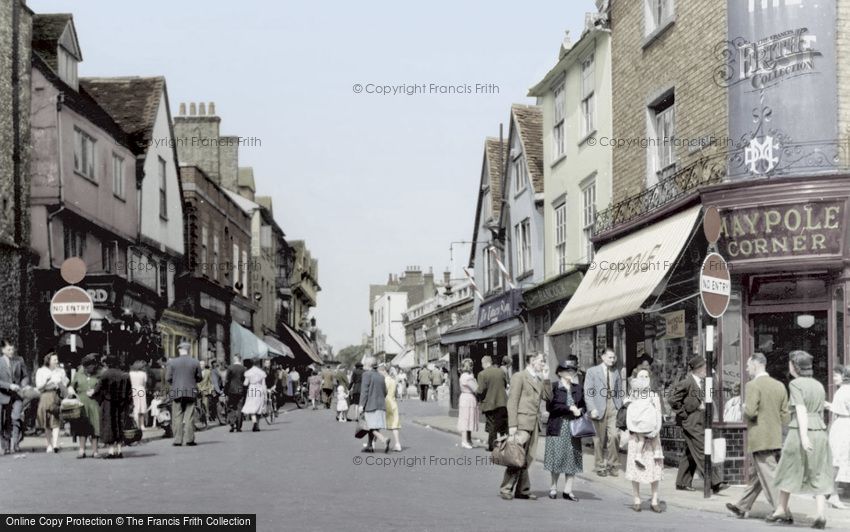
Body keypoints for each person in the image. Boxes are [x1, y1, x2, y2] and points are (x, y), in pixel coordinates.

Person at [768, 351, 834, 528]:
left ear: (793, 366)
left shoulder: (795, 384)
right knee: (818, 471)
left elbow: (801, 410)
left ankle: (781, 508)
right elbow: (821, 409)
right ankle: (820, 514)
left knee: (789, 467)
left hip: (799, 430)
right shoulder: (818, 385)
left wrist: (804, 436)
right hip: (819, 430)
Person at [725, 353, 790, 519]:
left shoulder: (752, 385)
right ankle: (742, 506)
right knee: (757, 475)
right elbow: (785, 416)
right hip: (776, 437)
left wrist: (744, 407)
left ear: (756, 365)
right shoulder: (779, 385)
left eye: (748, 365)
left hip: (760, 438)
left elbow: (751, 412)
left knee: (769, 475)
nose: (747, 369)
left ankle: (782, 511)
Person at [670, 355, 727, 493]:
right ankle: (714, 481)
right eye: (704, 368)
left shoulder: (704, 382)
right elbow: (672, 398)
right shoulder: (687, 382)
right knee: (703, 449)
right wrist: (683, 414)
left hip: (701, 420)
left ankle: (682, 482)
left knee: (690, 452)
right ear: (698, 369)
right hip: (692, 421)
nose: (706, 370)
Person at [500, 353, 552, 501]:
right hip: (522, 423)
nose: (543, 364)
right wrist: (512, 425)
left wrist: (547, 378)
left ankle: (522, 490)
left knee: (527, 457)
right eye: (541, 361)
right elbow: (512, 401)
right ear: (532, 361)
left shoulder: (539, 378)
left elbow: (548, 397)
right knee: (517, 456)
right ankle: (506, 488)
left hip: (534, 423)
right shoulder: (519, 376)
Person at [544, 359, 585, 502]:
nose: (571, 373)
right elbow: (550, 407)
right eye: (568, 370)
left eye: (573, 371)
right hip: (558, 426)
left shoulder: (578, 388)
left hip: (573, 428)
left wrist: (581, 410)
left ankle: (568, 490)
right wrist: (569, 408)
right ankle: (553, 487)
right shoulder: (554, 387)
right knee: (557, 458)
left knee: (572, 459)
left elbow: (584, 404)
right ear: (560, 372)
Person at [624, 368, 664, 512]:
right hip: (636, 437)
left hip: (652, 437)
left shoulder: (654, 396)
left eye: (646, 376)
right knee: (636, 468)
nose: (644, 379)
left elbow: (658, 414)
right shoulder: (632, 396)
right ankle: (636, 498)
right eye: (641, 376)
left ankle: (654, 499)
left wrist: (655, 430)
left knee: (654, 468)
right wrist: (633, 428)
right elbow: (628, 413)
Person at [584, 348, 624, 477]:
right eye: (610, 357)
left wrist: (620, 405)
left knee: (614, 436)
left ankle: (613, 464)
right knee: (598, 440)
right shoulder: (592, 372)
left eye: (614, 358)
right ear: (603, 357)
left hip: (613, 406)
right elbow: (588, 392)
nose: (612, 360)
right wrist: (592, 408)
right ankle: (600, 465)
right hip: (598, 407)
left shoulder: (616, 372)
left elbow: (619, 390)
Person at [89, 355, 132, 459]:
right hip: (121, 404)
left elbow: (97, 390)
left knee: (109, 426)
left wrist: (91, 394)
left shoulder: (105, 375)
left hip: (108, 404)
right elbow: (129, 393)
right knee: (119, 425)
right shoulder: (125, 375)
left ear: (107, 363)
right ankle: (119, 450)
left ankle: (111, 451)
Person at [167, 342, 202, 446]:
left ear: (179, 350)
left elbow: (168, 378)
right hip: (191, 391)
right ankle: (189, 439)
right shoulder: (195, 362)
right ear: (189, 350)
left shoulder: (172, 362)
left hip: (177, 391)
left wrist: (175, 383)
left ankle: (177, 440)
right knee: (189, 416)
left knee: (177, 416)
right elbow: (199, 377)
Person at [825, 365, 850, 509]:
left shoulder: (842, 391)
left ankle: (832, 493)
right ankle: (833, 494)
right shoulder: (844, 391)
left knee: (837, 459)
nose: (833, 378)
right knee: (839, 459)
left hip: (842, 425)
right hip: (844, 425)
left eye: (836, 375)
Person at [68, 354, 101, 458]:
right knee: (82, 428)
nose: (92, 368)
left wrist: (95, 391)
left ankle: (95, 451)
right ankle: (81, 450)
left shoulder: (98, 374)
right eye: (90, 366)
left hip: (94, 403)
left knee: (95, 427)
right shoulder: (78, 374)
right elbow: (72, 387)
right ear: (85, 366)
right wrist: (71, 392)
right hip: (82, 403)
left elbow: (103, 388)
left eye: (94, 366)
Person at [35, 352, 69, 453]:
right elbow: (39, 387)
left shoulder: (60, 371)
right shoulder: (41, 371)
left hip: (56, 396)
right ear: (48, 360)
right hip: (45, 395)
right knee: (46, 422)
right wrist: (47, 381)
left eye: (57, 359)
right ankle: (48, 444)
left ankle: (55, 444)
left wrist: (62, 383)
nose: (56, 361)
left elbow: (65, 382)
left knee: (56, 420)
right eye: (54, 360)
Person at [0, 339, 29, 454]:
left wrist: (23, 384)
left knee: (15, 418)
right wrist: (9, 386)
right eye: (9, 349)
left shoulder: (19, 360)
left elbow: (25, 376)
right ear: (2, 350)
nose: (12, 351)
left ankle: (15, 444)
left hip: (17, 395)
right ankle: (5, 445)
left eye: (13, 349)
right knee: (3, 422)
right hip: (2, 395)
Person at [477, 355, 508, 453]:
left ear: (485, 363)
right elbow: (505, 384)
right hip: (502, 402)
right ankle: (505, 444)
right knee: (503, 425)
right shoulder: (501, 371)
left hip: (489, 404)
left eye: (482, 364)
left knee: (492, 425)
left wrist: (477, 395)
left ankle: (492, 446)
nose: (482, 366)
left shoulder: (482, 374)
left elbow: (481, 391)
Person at [359, 357, 390, 453]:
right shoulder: (381, 376)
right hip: (381, 405)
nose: (363, 366)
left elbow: (364, 391)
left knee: (369, 426)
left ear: (369, 365)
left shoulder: (366, 375)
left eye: (365, 364)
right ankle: (369, 446)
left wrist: (361, 405)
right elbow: (385, 392)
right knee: (374, 426)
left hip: (370, 405)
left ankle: (383, 439)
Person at [457, 358, 479, 449]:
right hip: (468, 398)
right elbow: (476, 388)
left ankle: (468, 440)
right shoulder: (468, 377)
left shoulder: (463, 376)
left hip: (466, 398)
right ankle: (464, 441)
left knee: (468, 418)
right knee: (467, 419)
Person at [241, 358, 267, 432]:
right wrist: (265, 394)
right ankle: (257, 424)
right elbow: (264, 384)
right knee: (258, 407)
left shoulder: (248, 372)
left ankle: (254, 421)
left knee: (251, 406)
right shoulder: (261, 372)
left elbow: (245, 383)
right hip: (259, 389)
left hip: (252, 389)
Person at [379, 364, 401, 451]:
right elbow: (395, 394)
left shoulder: (383, 381)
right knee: (394, 425)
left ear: (384, 371)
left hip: (385, 403)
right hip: (393, 403)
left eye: (380, 371)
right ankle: (398, 444)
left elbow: (382, 393)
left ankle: (373, 443)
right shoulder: (393, 380)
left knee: (377, 424)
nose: (379, 373)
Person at [224, 355, 247, 433]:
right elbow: (245, 381)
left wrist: (225, 391)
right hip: (241, 390)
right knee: (240, 408)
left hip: (232, 390)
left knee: (231, 407)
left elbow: (227, 380)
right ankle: (239, 427)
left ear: (234, 359)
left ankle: (232, 423)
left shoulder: (230, 368)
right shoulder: (244, 368)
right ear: (240, 360)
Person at [129, 360, 148, 430]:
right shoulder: (143, 374)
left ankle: (135, 424)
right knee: (142, 407)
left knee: (135, 406)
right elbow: (144, 384)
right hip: (141, 389)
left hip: (133, 389)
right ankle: (142, 424)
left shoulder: (130, 373)